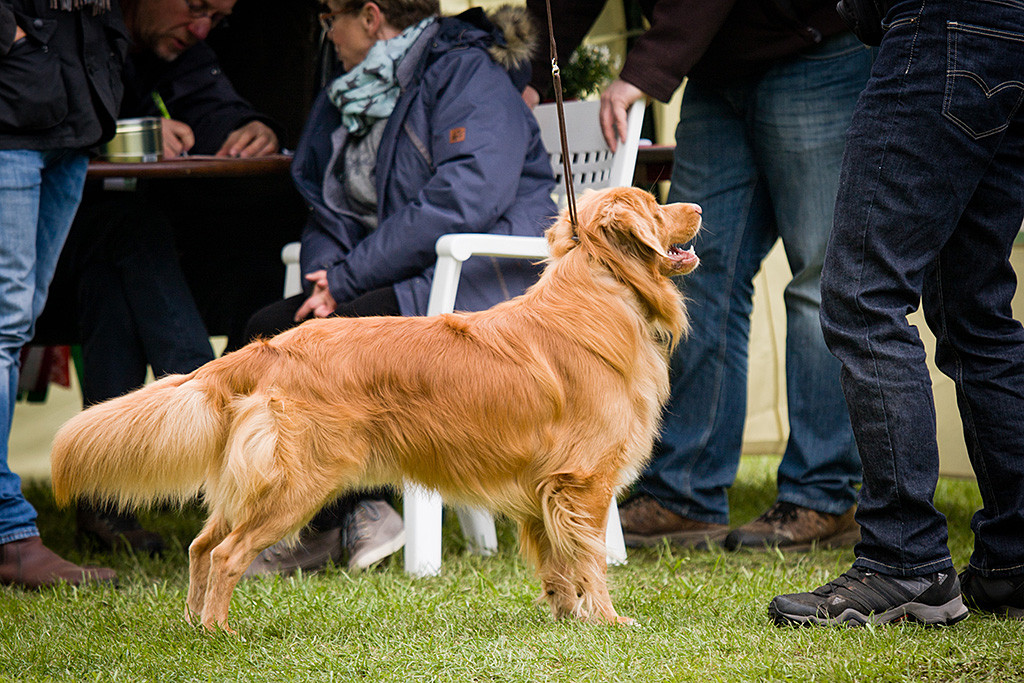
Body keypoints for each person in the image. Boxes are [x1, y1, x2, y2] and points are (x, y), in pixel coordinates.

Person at [527, 0, 870, 551]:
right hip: (714, 68)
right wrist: (534, 73)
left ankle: (821, 496)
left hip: (815, 52)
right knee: (691, 281)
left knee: (820, 279)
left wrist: (643, 71)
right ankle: (684, 495)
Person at [240, 0, 556, 576]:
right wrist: (323, 276)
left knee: (337, 340)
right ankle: (338, 514)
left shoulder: (468, 72)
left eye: (327, 17)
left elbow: (466, 196)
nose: (326, 33)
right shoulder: (359, 92)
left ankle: (342, 516)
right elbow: (331, 206)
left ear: (369, 16)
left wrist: (347, 279)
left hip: (481, 282)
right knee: (268, 331)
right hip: (403, 274)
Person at [769, 0, 1024, 626]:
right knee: (976, 311)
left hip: (940, 25)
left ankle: (903, 562)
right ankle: (1013, 562)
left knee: (863, 294)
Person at [37, 0, 282, 554]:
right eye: (195, 6)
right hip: (37, 255)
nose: (200, 28)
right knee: (130, 233)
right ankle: (211, 400)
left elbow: (212, 103)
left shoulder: (176, 44)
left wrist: (252, 127)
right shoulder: (78, 31)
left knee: (117, 270)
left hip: (109, 256)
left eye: (215, 21)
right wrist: (128, 132)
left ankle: (106, 500)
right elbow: (40, 116)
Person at [0, 0, 126, 588]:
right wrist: (15, 38)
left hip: (73, 115)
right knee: (3, 329)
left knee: (15, 326)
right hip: (13, 114)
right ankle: (9, 530)